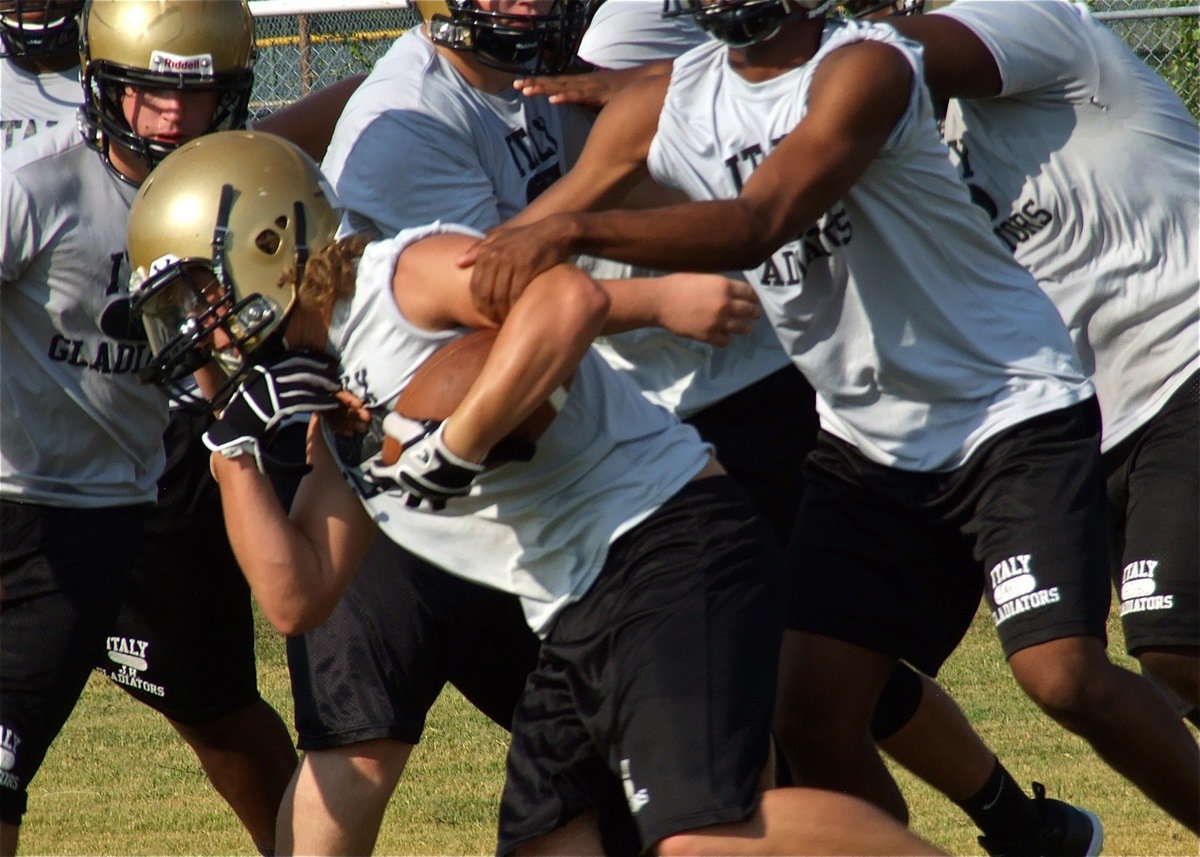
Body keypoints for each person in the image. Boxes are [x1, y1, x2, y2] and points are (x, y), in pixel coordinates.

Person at [457, 0, 1200, 840]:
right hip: (866, 446)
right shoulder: (664, 102)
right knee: (807, 709)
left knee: (1061, 673)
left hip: (1006, 411)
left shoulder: (867, 68)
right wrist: (404, 313)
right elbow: (511, 243)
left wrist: (570, 229)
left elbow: (756, 223)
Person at [126, 126, 944, 857]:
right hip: (574, 605)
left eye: (198, 296)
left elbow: (565, 294)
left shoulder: (403, 276)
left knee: (706, 836)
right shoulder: (329, 403)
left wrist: (456, 443)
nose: (198, 328)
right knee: (552, 843)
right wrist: (228, 443)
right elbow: (294, 594)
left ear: (270, 241)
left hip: (668, 541)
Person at [0, 2, 360, 852]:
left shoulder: (221, 190)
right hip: (22, 493)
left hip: (121, 502)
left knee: (219, 709)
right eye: (149, 92)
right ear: (102, 84)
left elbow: (320, 123)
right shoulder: (37, 183)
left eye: (193, 97)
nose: (170, 115)